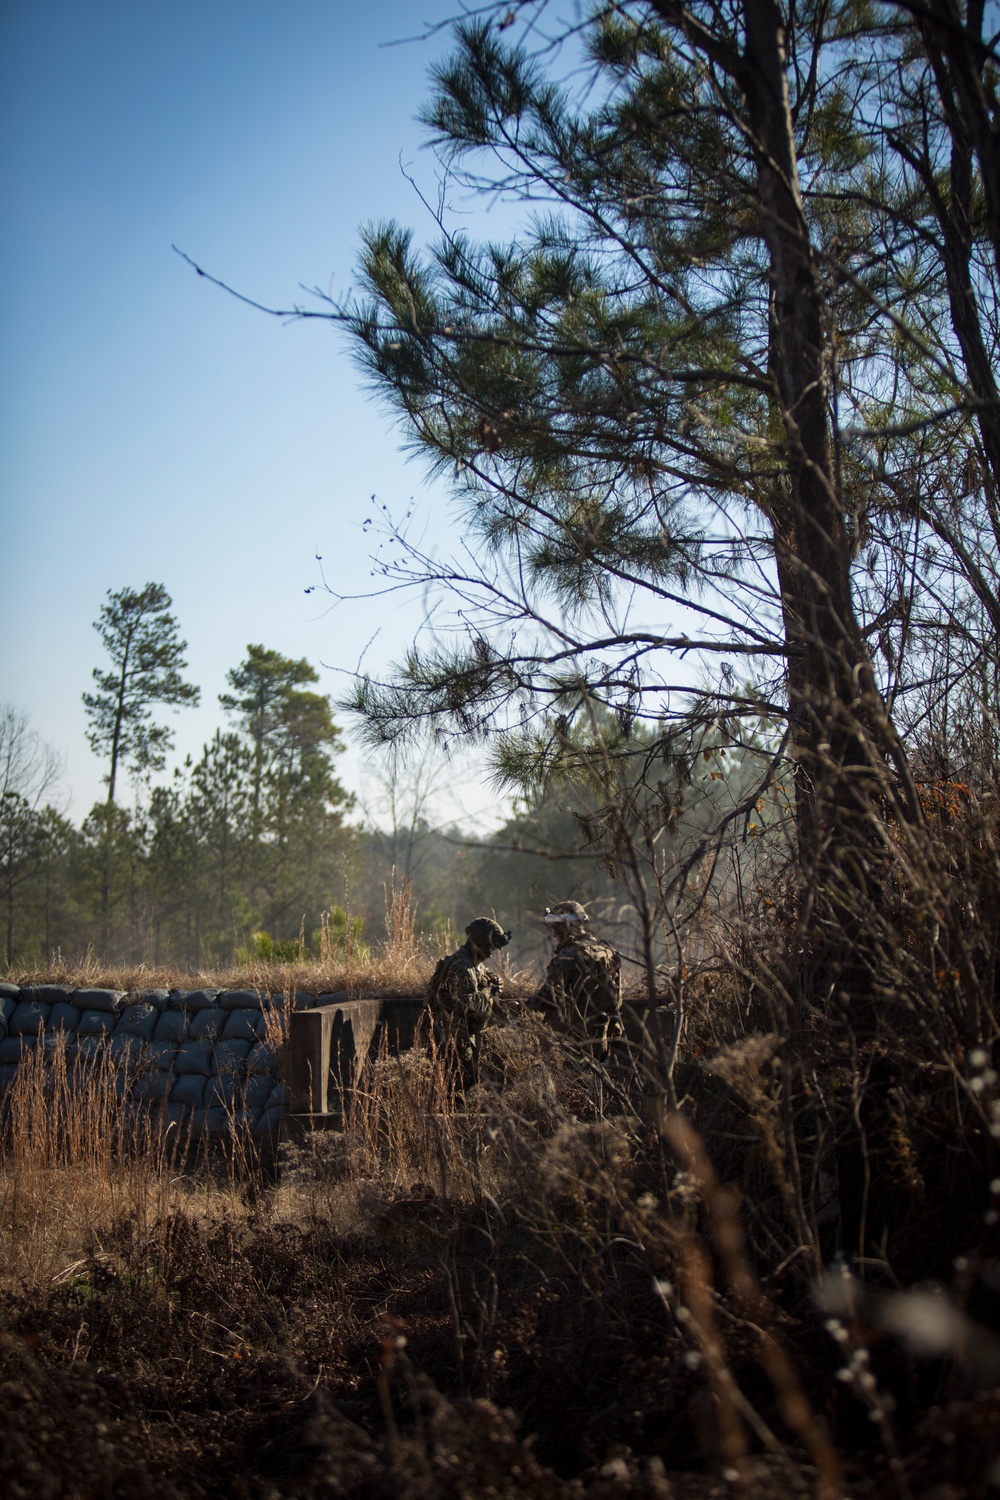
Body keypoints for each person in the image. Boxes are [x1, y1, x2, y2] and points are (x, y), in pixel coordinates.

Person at [425, 917, 511, 1091]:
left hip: (458, 1035)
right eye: (489, 947)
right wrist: (490, 992)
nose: (490, 953)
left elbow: (483, 975)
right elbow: (469, 1003)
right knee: (461, 1085)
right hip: (453, 1037)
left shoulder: (470, 964)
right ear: (477, 942)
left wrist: (493, 980)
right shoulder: (463, 966)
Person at [530, 900, 623, 1059]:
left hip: (575, 1041)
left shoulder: (569, 955)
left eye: (557, 929)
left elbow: (547, 996)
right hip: (601, 1037)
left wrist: (518, 1008)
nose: (555, 935)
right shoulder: (604, 949)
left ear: (565, 926)